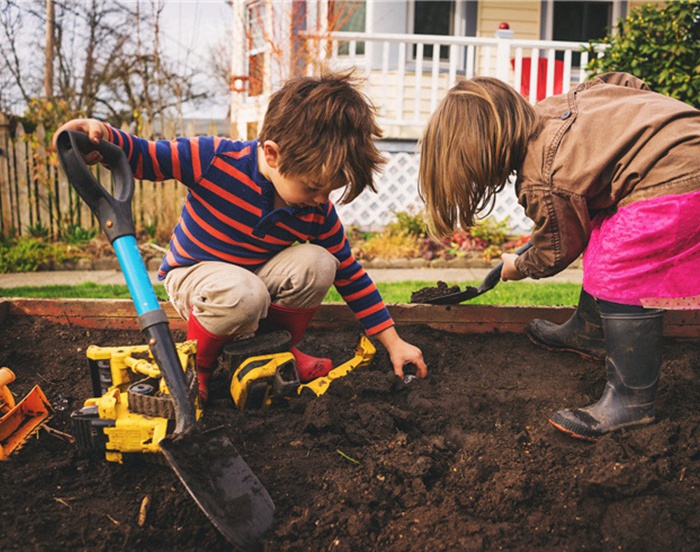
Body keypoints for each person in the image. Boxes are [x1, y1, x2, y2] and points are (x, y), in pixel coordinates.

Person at [55, 71, 427, 402]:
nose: (320, 199)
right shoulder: (215, 159)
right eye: (314, 187)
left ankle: (276, 352)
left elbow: (349, 274)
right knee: (243, 292)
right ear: (272, 153)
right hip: (195, 278)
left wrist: (394, 342)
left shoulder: (316, 212)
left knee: (320, 262)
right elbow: (144, 156)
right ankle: (195, 368)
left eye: (328, 191)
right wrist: (100, 137)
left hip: (253, 286)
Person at [418, 72, 700, 440]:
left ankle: (631, 401)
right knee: (605, 234)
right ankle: (588, 332)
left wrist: (519, 266)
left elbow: (557, 250)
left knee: (619, 269)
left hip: (689, 176)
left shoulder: (542, 174)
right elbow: (624, 81)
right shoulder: (556, 109)